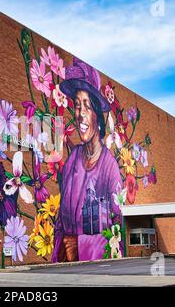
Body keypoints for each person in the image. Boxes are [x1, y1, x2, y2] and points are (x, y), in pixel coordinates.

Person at [51, 57, 123, 262]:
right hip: (66, 267)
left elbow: (116, 231)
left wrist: (80, 244)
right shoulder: (72, 160)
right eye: (76, 105)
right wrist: (61, 253)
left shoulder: (110, 168)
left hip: (97, 271)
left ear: (98, 118)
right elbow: (60, 223)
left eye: (87, 106)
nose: (80, 114)